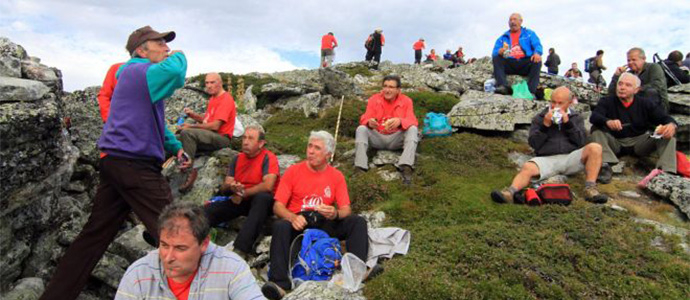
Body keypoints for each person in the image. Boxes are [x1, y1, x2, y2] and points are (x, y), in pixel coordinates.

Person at [39, 25, 188, 300]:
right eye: (161, 43)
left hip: (116, 163)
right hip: (134, 165)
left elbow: (154, 122)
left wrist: (175, 147)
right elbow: (177, 72)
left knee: (94, 237)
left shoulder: (137, 78)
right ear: (141, 50)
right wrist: (179, 54)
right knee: (179, 231)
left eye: (168, 45)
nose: (166, 48)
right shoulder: (137, 70)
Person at [261, 131, 370, 300]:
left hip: (325, 221)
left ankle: (357, 272)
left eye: (317, 148)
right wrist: (291, 217)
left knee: (357, 222)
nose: (310, 151)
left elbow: (346, 210)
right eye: (309, 146)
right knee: (281, 225)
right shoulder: (293, 171)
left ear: (328, 154)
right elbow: (278, 206)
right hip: (300, 222)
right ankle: (280, 284)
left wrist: (335, 213)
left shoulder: (336, 176)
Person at [115, 202, 264, 300]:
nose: (168, 258)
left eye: (180, 248)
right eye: (164, 245)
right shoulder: (138, 274)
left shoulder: (231, 267)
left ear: (204, 243)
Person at [491, 87, 608, 204]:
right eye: (553, 102)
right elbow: (534, 144)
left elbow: (581, 141)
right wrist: (545, 126)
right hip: (547, 158)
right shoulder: (539, 118)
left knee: (595, 147)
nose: (556, 106)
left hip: (570, 157)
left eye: (560, 103)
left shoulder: (576, 117)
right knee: (528, 167)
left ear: (569, 103)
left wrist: (568, 124)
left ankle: (590, 189)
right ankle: (509, 193)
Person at [204, 125, 279, 258]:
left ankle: (240, 249)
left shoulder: (268, 157)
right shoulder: (237, 159)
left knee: (262, 198)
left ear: (261, 143)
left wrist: (244, 192)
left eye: (251, 138)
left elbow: (268, 185)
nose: (245, 141)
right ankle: (192, 240)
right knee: (208, 210)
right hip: (240, 198)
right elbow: (225, 187)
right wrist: (231, 187)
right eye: (244, 137)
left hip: (260, 201)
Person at [591, 73, 678, 183]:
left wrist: (671, 125)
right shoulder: (607, 101)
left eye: (628, 85)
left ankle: (666, 172)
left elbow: (666, 118)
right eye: (620, 84)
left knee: (669, 132)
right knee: (596, 130)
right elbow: (594, 117)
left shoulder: (645, 103)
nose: (622, 88)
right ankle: (606, 165)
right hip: (614, 142)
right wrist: (607, 121)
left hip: (639, 143)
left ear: (636, 90)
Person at [177, 72, 237, 192]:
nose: (209, 86)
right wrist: (193, 115)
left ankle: (189, 172)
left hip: (221, 138)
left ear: (220, 83)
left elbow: (215, 126)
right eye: (207, 83)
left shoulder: (226, 99)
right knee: (176, 137)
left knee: (187, 133)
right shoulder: (213, 98)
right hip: (211, 135)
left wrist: (191, 126)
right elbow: (207, 120)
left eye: (212, 82)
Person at [355, 75, 418, 185]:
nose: (387, 90)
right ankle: (360, 167)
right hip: (378, 137)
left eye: (391, 87)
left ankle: (406, 166)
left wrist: (400, 121)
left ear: (398, 90)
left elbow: (413, 121)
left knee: (412, 129)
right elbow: (364, 118)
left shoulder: (406, 101)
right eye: (385, 86)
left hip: (396, 139)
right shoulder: (374, 99)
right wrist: (369, 122)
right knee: (361, 129)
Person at [491, 13, 543, 96]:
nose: (512, 22)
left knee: (537, 60)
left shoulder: (529, 34)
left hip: (525, 63)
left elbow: (537, 45)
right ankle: (502, 86)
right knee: (496, 58)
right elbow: (494, 52)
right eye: (510, 20)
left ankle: (531, 91)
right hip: (510, 62)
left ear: (521, 21)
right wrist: (499, 51)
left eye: (514, 19)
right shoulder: (503, 37)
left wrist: (537, 53)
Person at [607, 47, 669, 112]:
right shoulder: (629, 74)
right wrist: (616, 75)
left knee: (650, 92)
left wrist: (636, 90)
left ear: (643, 59)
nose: (630, 62)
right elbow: (611, 91)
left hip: (657, 104)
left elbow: (657, 85)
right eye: (628, 60)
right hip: (635, 105)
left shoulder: (654, 67)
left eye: (634, 60)